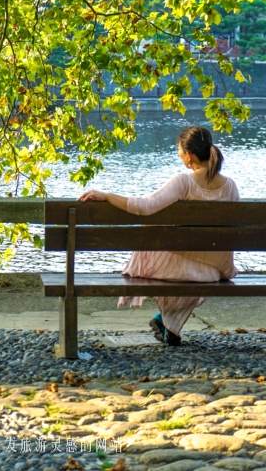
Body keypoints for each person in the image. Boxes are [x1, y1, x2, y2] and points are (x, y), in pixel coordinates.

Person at [77, 126, 240, 346]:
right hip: (210, 274)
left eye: (179, 152)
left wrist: (106, 195)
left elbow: (145, 206)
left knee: (162, 247)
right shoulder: (230, 186)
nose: (179, 156)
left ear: (189, 156)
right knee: (185, 264)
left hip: (178, 271)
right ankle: (165, 321)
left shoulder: (184, 182)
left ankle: (165, 320)